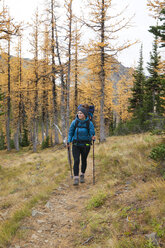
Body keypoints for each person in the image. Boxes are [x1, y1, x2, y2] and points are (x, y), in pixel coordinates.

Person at [67, 105, 95, 186]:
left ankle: (82, 174)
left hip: (86, 145)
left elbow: (92, 133)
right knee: (76, 160)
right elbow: (70, 133)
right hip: (75, 144)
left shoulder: (89, 123)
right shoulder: (74, 122)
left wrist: (93, 138)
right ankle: (76, 177)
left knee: (83, 160)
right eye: (78, 113)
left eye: (81, 113)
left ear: (85, 114)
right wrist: (68, 141)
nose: (79, 115)